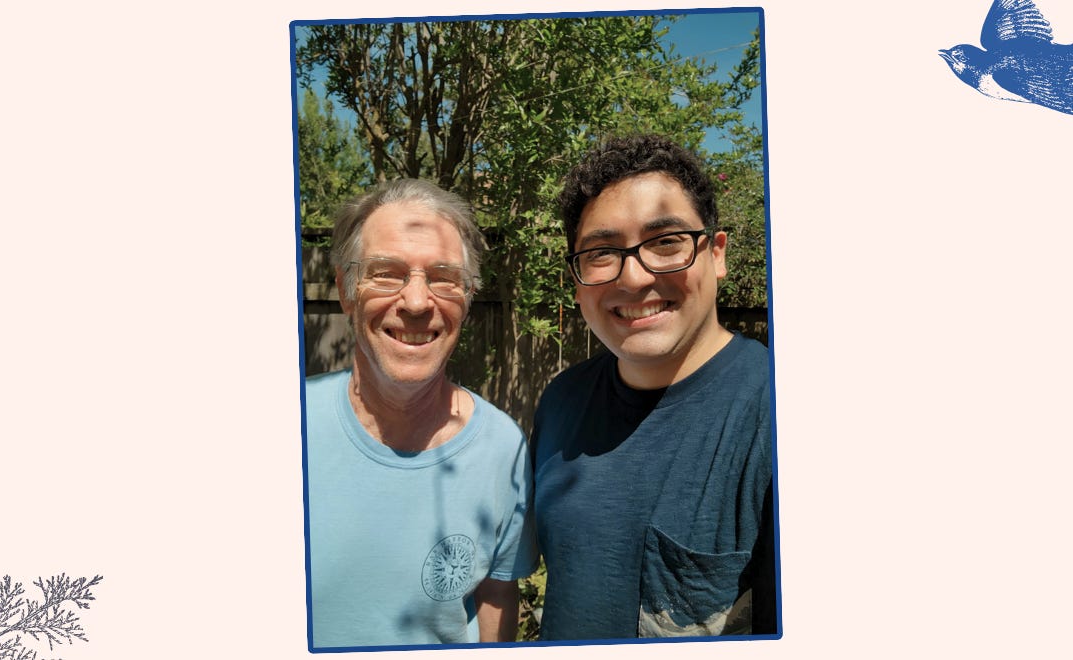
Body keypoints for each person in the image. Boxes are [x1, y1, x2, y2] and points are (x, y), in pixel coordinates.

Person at [531, 134, 777, 640]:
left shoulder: (776, 414)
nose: (635, 277)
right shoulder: (560, 403)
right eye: (601, 252)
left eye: (665, 242)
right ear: (577, 283)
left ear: (717, 254)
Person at [303, 179, 538, 648]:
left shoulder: (503, 449)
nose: (415, 302)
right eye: (386, 272)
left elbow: (496, 594)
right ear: (346, 293)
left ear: (468, 298)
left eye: (444, 277)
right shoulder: (287, 425)